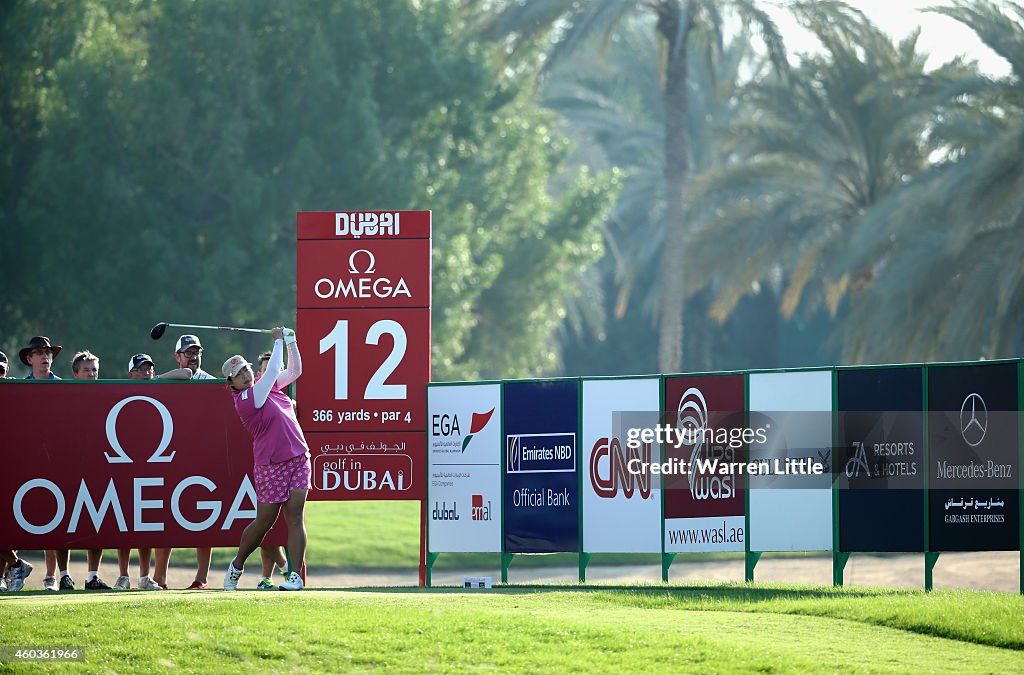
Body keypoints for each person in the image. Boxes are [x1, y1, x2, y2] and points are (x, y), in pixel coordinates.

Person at [223, 327, 309, 592]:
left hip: (298, 455)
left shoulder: (266, 386)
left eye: (247, 369)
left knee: (295, 515)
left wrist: (292, 342)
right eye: (239, 374)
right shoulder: (246, 400)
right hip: (271, 465)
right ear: (231, 383)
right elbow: (272, 371)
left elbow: (294, 372)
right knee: (264, 523)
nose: (246, 375)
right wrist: (279, 341)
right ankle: (237, 565)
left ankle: (295, 577)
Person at [153, 335, 214, 590]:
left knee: (204, 516)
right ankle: (159, 577)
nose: (193, 356)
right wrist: (158, 379)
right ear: (177, 356)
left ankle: (201, 578)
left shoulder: (211, 382)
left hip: (203, 454)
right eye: (187, 352)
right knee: (166, 516)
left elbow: (189, 376)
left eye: (196, 352)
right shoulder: (167, 380)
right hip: (170, 455)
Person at [111, 354, 170, 591]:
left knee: (147, 524)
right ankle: (123, 575)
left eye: (149, 369)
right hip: (123, 465)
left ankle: (145, 577)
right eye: (141, 370)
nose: (146, 373)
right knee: (125, 525)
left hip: (152, 467)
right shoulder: (120, 394)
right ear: (131, 374)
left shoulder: (160, 392)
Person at [21, 337, 71, 590]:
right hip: (27, 461)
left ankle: (55, 576)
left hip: (57, 461)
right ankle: (10, 570)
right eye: (39, 352)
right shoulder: (18, 389)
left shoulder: (63, 388)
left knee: (57, 518)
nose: (45, 356)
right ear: (29, 358)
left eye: (48, 352)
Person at [70, 350, 111, 590]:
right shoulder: (64, 395)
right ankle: (62, 575)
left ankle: (92, 577)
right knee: (64, 521)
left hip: (98, 466)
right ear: (76, 373)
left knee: (98, 524)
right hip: (71, 465)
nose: (92, 374)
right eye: (87, 370)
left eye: (94, 370)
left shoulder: (104, 395)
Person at [255, 350, 289, 589]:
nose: (271, 374)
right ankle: (283, 570)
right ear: (259, 374)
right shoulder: (256, 393)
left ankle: (267, 577)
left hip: (290, 466)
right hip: (265, 465)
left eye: (275, 369)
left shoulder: (286, 399)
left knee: (278, 528)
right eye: (266, 370)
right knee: (263, 527)